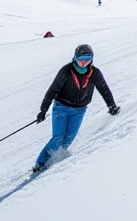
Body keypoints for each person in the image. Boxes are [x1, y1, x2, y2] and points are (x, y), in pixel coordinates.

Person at [32, 44, 119, 173]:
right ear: (75, 58)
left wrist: (111, 105)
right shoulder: (66, 71)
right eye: (80, 60)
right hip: (61, 107)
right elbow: (52, 90)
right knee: (58, 138)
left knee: (68, 139)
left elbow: (104, 89)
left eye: (87, 60)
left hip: (79, 111)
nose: (83, 64)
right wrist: (43, 110)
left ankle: (55, 160)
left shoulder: (95, 73)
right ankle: (40, 164)